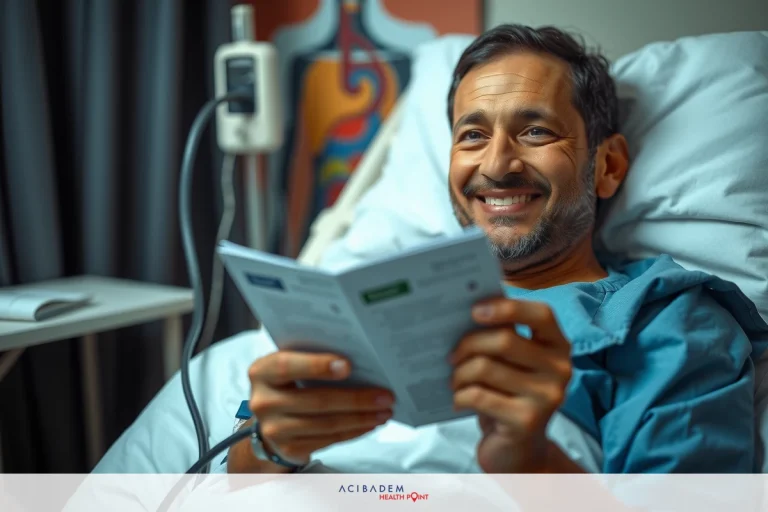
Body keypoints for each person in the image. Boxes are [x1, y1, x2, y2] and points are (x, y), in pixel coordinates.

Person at [224, 24, 768, 474]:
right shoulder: (365, 298)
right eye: (473, 136)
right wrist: (273, 445)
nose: (496, 165)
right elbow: (238, 478)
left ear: (608, 167)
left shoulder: (669, 324)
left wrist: (530, 461)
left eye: (535, 132)